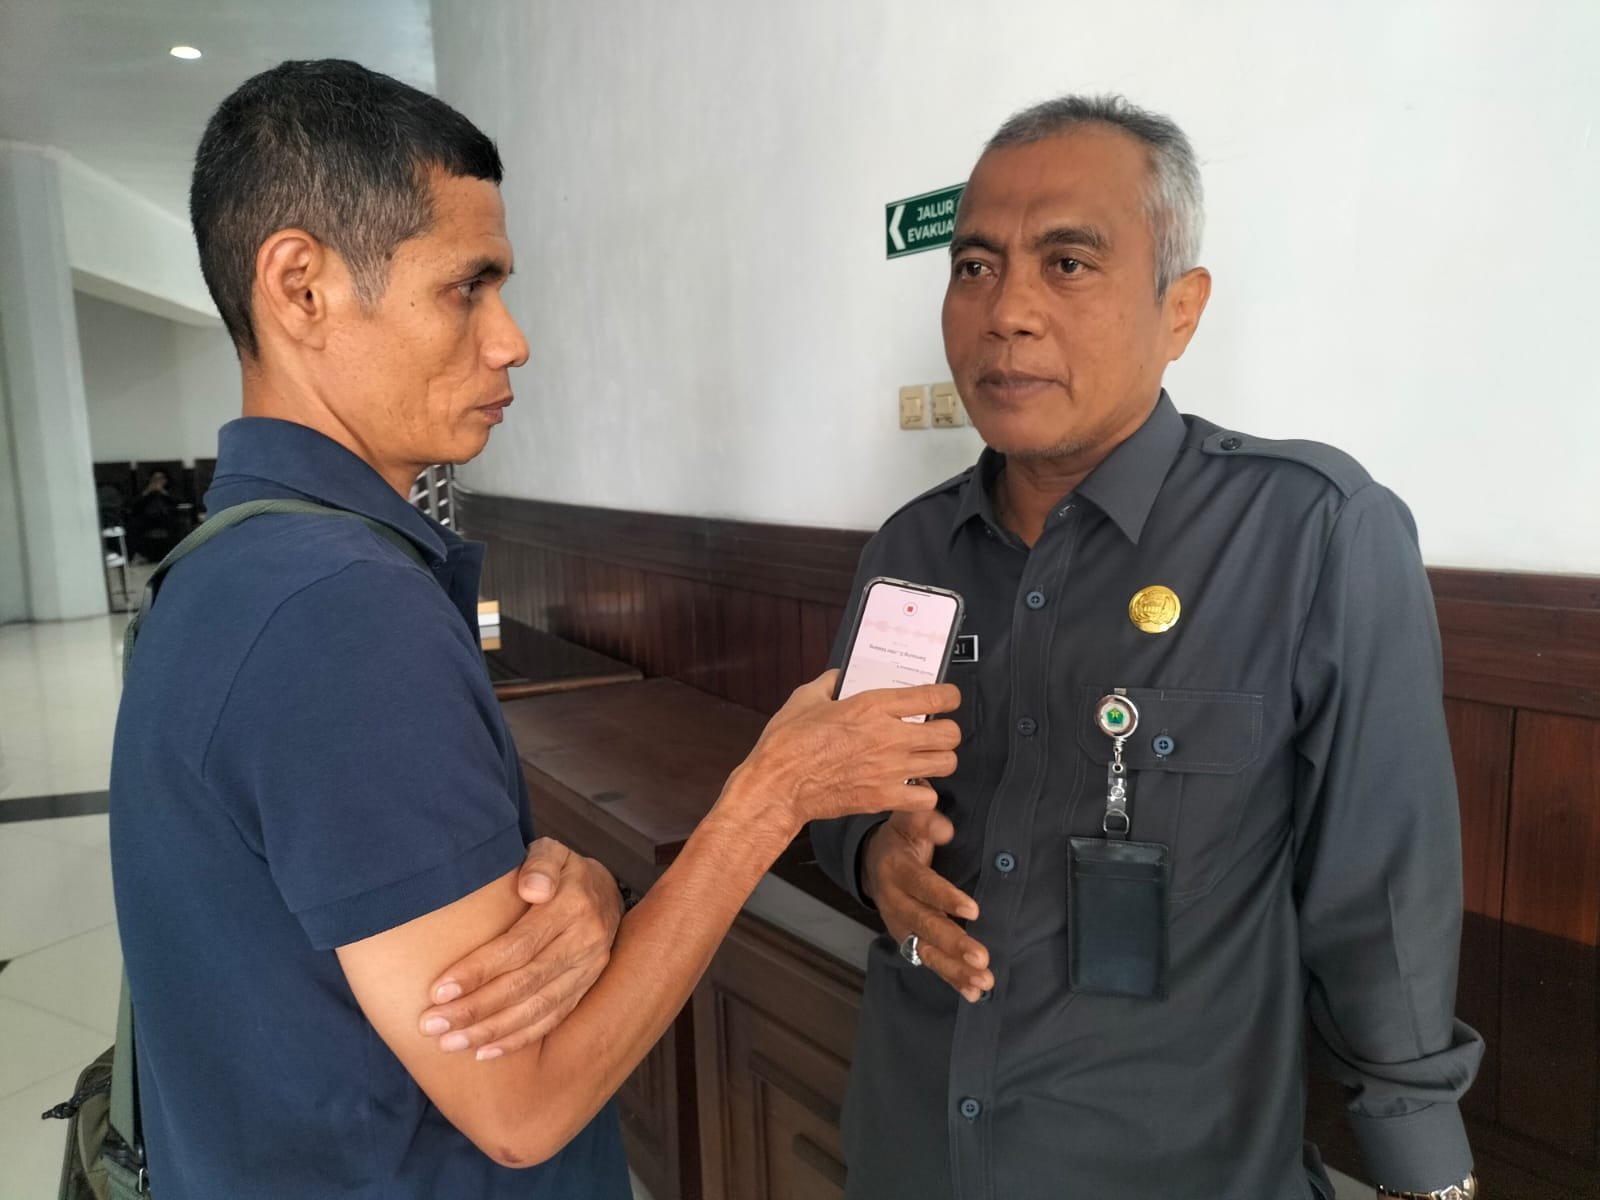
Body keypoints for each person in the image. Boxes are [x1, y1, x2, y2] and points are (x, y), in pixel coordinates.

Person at [109, 59, 960, 1200]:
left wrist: (591, 895)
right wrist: (770, 797)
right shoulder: (337, 610)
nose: (511, 340)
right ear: (301, 288)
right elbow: (524, 1106)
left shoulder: (227, 561)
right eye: (468, 287)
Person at [811, 95, 1483, 1200]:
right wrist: (869, 856)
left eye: (1068, 263)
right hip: (910, 1147)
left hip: (1172, 1166)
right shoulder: (911, 548)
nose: (1007, 312)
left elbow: (1382, 898)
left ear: (1180, 309)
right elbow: (841, 788)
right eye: (974, 267)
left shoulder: (1310, 534)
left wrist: (1423, 1172)